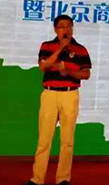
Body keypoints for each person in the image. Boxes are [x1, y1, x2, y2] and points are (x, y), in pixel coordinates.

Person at [24, 15, 92, 185]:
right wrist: (60, 49)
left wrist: (67, 71)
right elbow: (43, 66)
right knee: (44, 139)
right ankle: (37, 179)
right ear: (56, 29)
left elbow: (86, 74)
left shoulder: (81, 49)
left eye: (69, 26)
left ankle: (63, 178)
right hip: (50, 94)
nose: (66, 29)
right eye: (62, 26)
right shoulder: (47, 46)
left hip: (70, 94)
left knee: (67, 140)